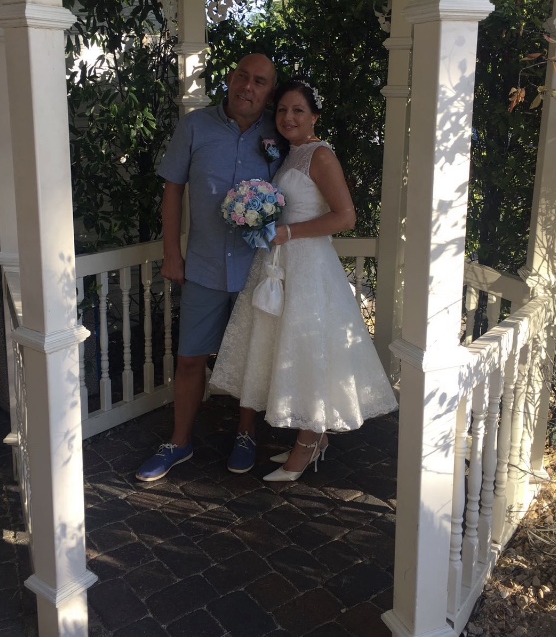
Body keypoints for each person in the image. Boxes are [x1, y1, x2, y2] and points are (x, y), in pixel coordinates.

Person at [210, 80, 398, 481]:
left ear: (315, 116)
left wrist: (289, 232)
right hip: (279, 263)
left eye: (298, 110)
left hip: (308, 264)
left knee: (309, 350)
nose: (288, 117)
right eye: (282, 110)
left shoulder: (320, 154)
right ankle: (317, 438)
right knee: (288, 348)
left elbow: (346, 217)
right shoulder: (290, 155)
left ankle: (308, 443)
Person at [136, 53, 284, 481]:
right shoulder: (195, 126)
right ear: (230, 78)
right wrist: (171, 252)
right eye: (242, 76)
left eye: (259, 81)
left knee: (250, 356)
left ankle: (246, 433)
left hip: (257, 268)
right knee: (189, 358)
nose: (247, 87)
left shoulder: (279, 130)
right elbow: (172, 190)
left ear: (269, 91)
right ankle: (179, 442)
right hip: (202, 266)